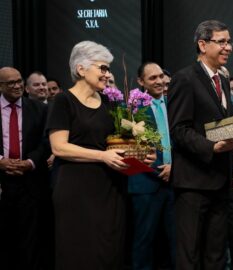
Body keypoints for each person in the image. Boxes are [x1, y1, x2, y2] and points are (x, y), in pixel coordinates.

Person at [46, 40, 154, 270]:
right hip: (76, 192)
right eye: (102, 68)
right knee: (79, 252)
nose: (107, 74)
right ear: (81, 69)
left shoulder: (109, 102)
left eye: (108, 69)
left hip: (111, 189)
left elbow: (120, 143)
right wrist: (102, 156)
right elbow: (59, 147)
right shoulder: (63, 101)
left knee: (111, 252)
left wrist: (141, 154)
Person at [167, 20, 233, 269]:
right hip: (192, 182)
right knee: (189, 252)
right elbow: (178, 130)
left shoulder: (222, 80)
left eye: (229, 41)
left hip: (220, 180)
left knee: (216, 253)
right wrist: (210, 148)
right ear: (202, 44)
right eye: (221, 41)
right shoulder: (184, 79)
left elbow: (223, 128)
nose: (228, 47)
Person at [0, 67, 51, 270]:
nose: (17, 86)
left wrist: (29, 162)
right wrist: (0, 161)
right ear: (0, 86)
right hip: (2, 182)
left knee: (30, 242)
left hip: (30, 183)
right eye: (11, 83)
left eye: (19, 81)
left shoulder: (39, 109)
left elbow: (45, 142)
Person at [129, 62, 175, 270]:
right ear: (141, 82)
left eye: (160, 77)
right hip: (145, 184)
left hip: (175, 181)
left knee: (175, 241)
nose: (159, 82)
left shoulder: (175, 104)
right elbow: (131, 147)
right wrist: (160, 169)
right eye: (152, 78)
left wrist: (174, 166)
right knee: (144, 240)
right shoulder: (131, 108)